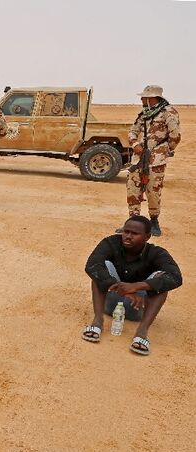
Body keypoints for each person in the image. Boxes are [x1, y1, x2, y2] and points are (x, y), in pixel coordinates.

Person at [83, 215, 182, 355]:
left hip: (138, 308)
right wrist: (125, 290)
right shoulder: (111, 243)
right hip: (110, 303)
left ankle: (142, 332)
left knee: (161, 279)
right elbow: (92, 266)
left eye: (134, 233)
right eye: (126, 231)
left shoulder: (156, 253)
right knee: (101, 269)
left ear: (147, 237)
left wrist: (138, 286)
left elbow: (176, 277)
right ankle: (97, 321)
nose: (128, 236)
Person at [124, 85, 181, 236]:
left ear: (152, 98)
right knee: (132, 188)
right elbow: (132, 132)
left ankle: (154, 222)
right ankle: (133, 223)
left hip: (156, 161)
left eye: (144, 97)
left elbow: (175, 136)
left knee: (153, 191)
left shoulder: (168, 113)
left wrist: (162, 151)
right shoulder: (144, 114)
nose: (141, 99)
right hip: (138, 160)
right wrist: (135, 144)